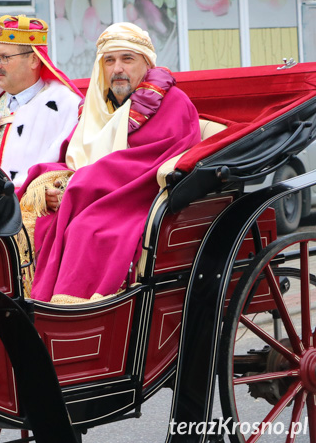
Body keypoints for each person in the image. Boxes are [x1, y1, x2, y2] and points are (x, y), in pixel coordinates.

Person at [19, 22, 201, 303]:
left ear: (146, 63)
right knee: (33, 223)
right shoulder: (97, 106)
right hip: (91, 195)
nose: (117, 68)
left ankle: (75, 316)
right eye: (109, 60)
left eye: (127, 59)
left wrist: (78, 186)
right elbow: (73, 156)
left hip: (138, 201)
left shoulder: (174, 102)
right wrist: (54, 189)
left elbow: (147, 164)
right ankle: (31, 306)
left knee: (86, 230)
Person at [0, 16, 82, 190]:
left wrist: (49, 190)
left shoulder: (67, 108)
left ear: (34, 60)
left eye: (4, 57)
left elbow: (78, 167)